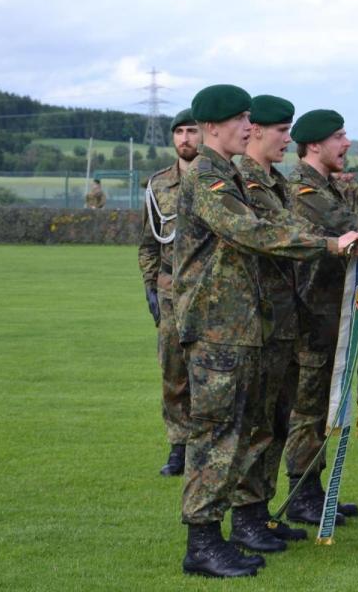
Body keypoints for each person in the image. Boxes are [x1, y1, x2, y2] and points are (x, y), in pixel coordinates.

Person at [173, 85, 358, 578]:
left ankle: (247, 521)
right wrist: (329, 244)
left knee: (249, 429)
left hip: (246, 324)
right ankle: (202, 542)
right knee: (217, 434)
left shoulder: (231, 176)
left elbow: (273, 226)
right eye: (240, 120)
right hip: (219, 327)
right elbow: (252, 232)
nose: (248, 127)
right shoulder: (207, 178)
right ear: (212, 127)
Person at [283, 109, 358, 527]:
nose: (347, 143)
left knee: (323, 403)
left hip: (329, 312)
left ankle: (313, 490)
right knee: (309, 408)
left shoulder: (326, 186)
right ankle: (301, 493)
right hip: (310, 314)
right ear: (314, 144)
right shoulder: (304, 190)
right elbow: (352, 227)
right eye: (339, 136)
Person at [231, 94, 317, 551]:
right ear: (256, 131)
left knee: (279, 420)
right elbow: (278, 237)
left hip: (284, 317)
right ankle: (246, 516)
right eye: (282, 130)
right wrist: (332, 244)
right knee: (257, 423)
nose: (289, 138)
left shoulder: (276, 182)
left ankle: (261, 512)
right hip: (257, 320)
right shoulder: (244, 183)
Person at [138, 108, 199, 477]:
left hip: (211, 293)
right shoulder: (158, 185)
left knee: (213, 373)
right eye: (179, 132)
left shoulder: (221, 181)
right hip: (170, 291)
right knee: (174, 372)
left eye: (192, 131)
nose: (185, 139)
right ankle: (179, 447)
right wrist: (149, 285)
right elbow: (149, 242)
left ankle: (208, 447)